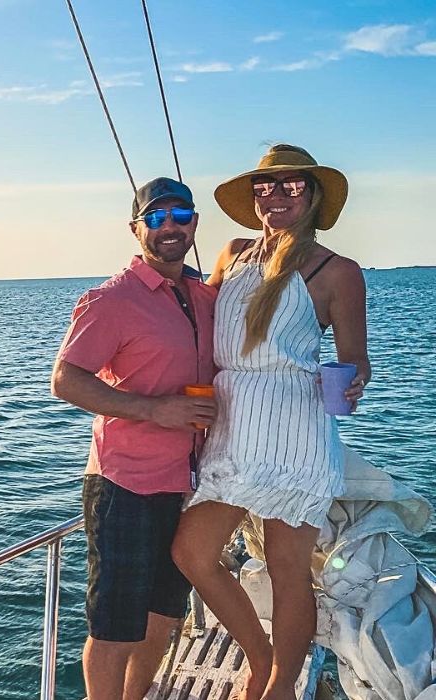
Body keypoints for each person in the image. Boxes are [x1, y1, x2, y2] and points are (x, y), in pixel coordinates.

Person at [171, 144, 370, 700]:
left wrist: (352, 379)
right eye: (265, 186)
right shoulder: (233, 254)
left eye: (291, 185)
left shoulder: (338, 271)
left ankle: (281, 684)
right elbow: (199, 325)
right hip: (232, 423)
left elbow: (356, 357)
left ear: (312, 195)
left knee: (288, 571)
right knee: (190, 552)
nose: (275, 195)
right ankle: (259, 659)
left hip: (294, 429)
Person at [52, 176, 218, 700]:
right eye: (155, 217)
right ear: (136, 228)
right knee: (114, 626)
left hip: (187, 482)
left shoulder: (203, 294)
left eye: (180, 215)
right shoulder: (112, 300)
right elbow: (66, 379)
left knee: (165, 614)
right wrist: (155, 410)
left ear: (194, 222)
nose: (169, 226)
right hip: (125, 483)